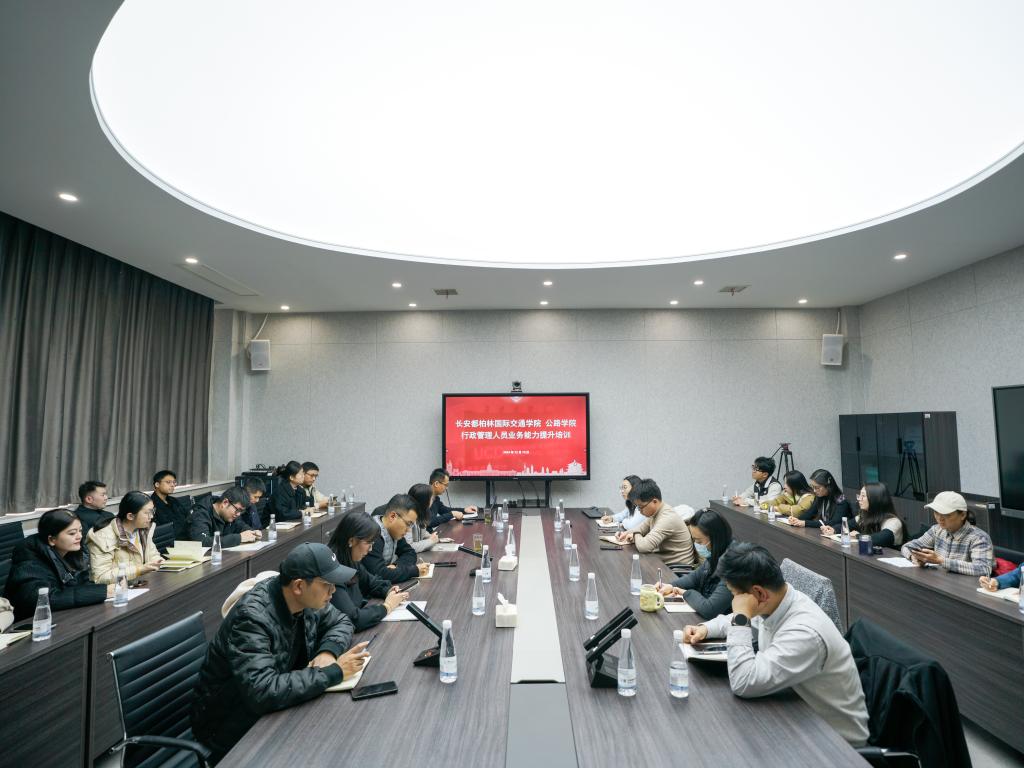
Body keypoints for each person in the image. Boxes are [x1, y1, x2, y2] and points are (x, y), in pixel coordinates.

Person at [190, 542, 368, 763]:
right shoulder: (252, 618)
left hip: (273, 708)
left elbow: (342, 621)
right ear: (299, 586)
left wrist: (328, 652)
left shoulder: (307, 601)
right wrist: (334, 672)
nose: (333, 591)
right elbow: (262, 691)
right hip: (230, 724)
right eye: (327, 585)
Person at [682, 543, 869, 746]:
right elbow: (745, 620)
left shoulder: (804, 633)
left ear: (759, 593)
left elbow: (743, 682)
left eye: (735, 595)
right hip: (799, 714)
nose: (735, 603)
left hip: (836, 744)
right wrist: (705, 629)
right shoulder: (776, 601)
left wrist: (741, 616)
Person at [4, 508, 112, 620]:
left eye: (80, 531)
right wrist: (102, 592)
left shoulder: (72, 551)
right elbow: (45, 599)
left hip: (66, 616)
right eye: (72, 533)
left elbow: (84, 582)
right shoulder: (29, 562)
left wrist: (107, 590)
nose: (79, 536)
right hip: (32, 623)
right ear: (52, 539)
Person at [327, 511, 410, 631]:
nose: (370, 549)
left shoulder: (350, 559)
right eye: (368, 543)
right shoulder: (331, 569)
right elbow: (353, 619)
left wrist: (389, 591)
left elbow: (371, 582)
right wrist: (387, 607)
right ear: (351, 541)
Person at [656, 508, 734, 619]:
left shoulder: (734, 563)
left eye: (699, 541)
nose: (696, 544)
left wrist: (685, 593)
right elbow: (695, 577)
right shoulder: (717, 552)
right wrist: (670, 586)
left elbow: (710, 609)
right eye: (694, 540)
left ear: (715, 538)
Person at [900, 491, 993, 576]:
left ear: (963, 515)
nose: (940, 518)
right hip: (940, 582)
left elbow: (983, 569)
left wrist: (941, 561)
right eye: (936, 512)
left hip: (964, 587)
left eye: (946, 514)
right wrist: (914, 557)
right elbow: (907, 546)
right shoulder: (937, 530)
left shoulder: (979, 537)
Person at [615, 479, 696, 570]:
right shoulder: (656, 512)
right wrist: (625, 534)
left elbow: (644, 546)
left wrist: (634, 534)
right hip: (664, 562)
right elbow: (641, 528)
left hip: (677, 570)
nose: (640, 511)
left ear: (654, 501)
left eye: (641, 507)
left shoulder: (667, 518)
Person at [87, 491, 164, 583]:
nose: (151, 516)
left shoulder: (143, 530)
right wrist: (139, 570)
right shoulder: (102, 537)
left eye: (152, 511)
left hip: (139, 583)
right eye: (147, 513)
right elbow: (100, 577)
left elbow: (153, 555)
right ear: (130, 516)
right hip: (117, 589)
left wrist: (157, 562)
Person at [363, 494, 432, 583]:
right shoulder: (372, 534)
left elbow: (410, 553)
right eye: (408, 524)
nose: (408, 530)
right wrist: (414, 571)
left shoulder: (394, 531)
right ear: (392, 516)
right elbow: (379, 574)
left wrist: (396, 566)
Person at [824, 483, 904, 548]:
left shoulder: (893, 522)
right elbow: (848, 525)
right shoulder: (863, 516)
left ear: (875, 499)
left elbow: (879, 539)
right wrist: (833, 529)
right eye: (859, 496)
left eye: (863, 496)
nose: (859, 499)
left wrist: (858, 536)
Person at [190, 487, 262, 548]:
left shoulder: (229, 514)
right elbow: (202, 542)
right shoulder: (200, 513)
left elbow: (240, 525)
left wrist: (252, 532)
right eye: (237, 510)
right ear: (225, 503)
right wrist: (239, 538)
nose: (238, 514)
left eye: (241, 511)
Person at [787, 469, 851, 530]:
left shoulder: (841, 500)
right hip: (824, 531)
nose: (814, 490)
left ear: (828, 486)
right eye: (813, 487)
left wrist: (806, 523)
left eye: (817, 487)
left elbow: (834, 522)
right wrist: (797, 519)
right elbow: (810, 513)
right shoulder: (820, 496)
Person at [150, 469, 192, 539]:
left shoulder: (174, 501)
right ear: (157, 484)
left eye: (174, 482)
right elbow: (159, 533)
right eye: (168, 482)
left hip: (188, 536)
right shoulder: (150, 506)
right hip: (171, 541)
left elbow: (188, 517)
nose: (172, 485)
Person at [406, 483, 439, 552]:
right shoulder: (408, 518)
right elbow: (409, 547)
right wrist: (431, 541)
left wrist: (430, 536)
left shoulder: (422, 513)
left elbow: (421, 532)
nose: (433, 500)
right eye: (431, 498)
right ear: (424, 501)